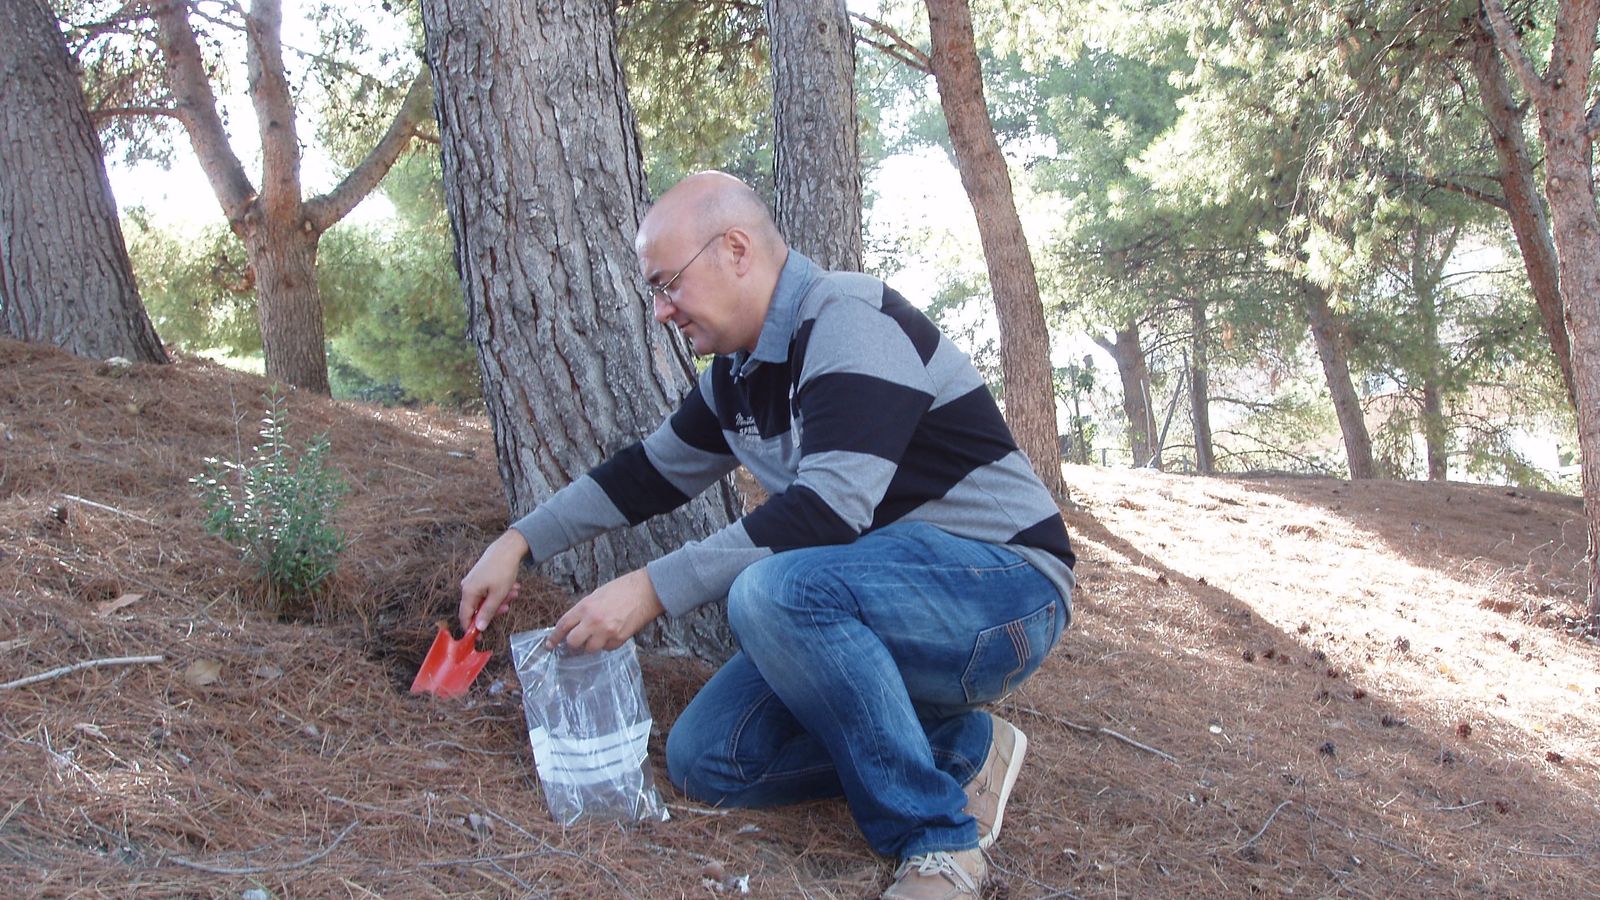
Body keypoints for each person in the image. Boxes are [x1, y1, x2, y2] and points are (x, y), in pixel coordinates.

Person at [459, 171, 1075, 899]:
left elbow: (829, 510)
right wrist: (518, 542)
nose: (660, 312)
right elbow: (642, 476)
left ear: (737, 249)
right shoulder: (738, 378)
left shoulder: (848, 318)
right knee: (707, 760)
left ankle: (937, 840)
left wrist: (651, 589)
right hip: (873, 601)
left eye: (667, 284)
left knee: (772, 592)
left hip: (1003, 594)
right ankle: (960, 748)